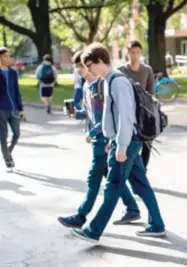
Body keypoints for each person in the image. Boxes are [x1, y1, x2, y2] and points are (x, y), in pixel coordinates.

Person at [69, 42, 165, 242]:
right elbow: (111, 116)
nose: (89, 70)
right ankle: (157, 224)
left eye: (90, 65)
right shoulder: (108, 81)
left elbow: (126, 116)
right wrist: (111, 138)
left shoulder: (117, 82)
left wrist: (120, 146)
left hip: (127, 143)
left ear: (100, 62)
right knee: (141, 184)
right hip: (123, 141)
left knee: (112, 186)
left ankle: (93, 231)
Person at [58, 50, 134, 229]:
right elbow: (89, 114)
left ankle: (81, 215)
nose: (80, 69)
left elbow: (108, 117)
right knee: (111, 177)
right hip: (98, 140)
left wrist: (93, 132)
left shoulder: (103, 84)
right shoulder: (86, 86)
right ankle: (132, 207)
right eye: (76, 66)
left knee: (94, 178)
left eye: (82, 65)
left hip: (103, 140)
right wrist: (76, 114)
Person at [117, 40, 155, 171]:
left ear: (141, 53)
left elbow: (151, 93)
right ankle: (130, 168)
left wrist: (152, 111)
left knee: (147, 142)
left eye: (138, 52)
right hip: (127, 110)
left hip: (144, 111)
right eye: (132, 52)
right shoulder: (120, 71)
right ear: (128, 53)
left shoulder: (147, 70)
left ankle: (143, 169)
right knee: (130, 141)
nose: (135, 55)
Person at [0, 47, 25, 171]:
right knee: (3, 138)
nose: (9, 59)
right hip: (1, 109)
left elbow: (16, 91)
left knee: (17, 134)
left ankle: (7, 152)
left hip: (13, 109)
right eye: (6, 56)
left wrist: (21, 108)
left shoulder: (13, 72)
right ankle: (8, 161)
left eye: (9, 56)